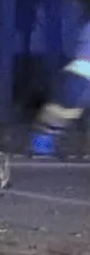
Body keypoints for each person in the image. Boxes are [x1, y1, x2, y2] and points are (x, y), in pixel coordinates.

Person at [31, 21, 90, 156]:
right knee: (49, 126)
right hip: (81, 75)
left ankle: (40, 155)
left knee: (47, 127)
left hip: (80, 75)